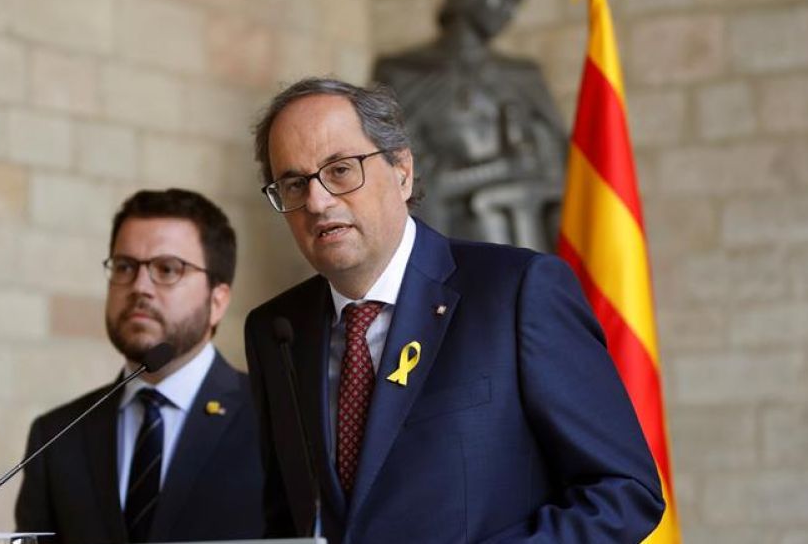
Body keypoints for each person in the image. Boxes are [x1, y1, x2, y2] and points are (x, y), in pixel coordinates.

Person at [244, 78, 664, 543]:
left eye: (340, 170)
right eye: (295, 183)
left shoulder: (518, 291)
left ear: (402, 170)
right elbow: (287, 519)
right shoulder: (276, 330)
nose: (318, 202)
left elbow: (624, 493)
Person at [15, 189, 264, 543]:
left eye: (167, 269)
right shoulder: (56, 437)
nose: (139, 287)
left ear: (218, 301)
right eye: (125, 267)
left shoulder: (275, 418)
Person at [373, 0, 567, 250]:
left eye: (515, 2)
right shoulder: (405, 74)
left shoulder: (523, 77)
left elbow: (561, 173)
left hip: (527, 234)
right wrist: (503, 169)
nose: (509, 11)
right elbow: (405, 177)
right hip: (458, 238)